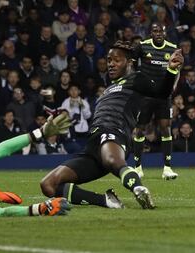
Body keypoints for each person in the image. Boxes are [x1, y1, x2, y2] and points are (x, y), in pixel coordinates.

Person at [39, 41, 184, 210]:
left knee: (112, 159)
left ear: (129, 63)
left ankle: (138, 188)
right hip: (93, 146)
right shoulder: (109, 88)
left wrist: (171, 69)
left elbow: (162, 92)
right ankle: (106, 200)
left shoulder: (136, 79)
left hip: (115, 132)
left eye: (116, 60)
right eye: (109, 60)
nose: (111, 64)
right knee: (48, 184)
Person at [132, 23, 179, 180]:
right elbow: (131, 66)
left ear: (165, 33)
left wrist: (173, 84)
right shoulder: (142, 46)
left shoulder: (172, 48)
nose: (158, 33)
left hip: (163, 96)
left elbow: (177, 68)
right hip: (146, 96)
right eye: (155, 31)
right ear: (150, 33)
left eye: (161, 31)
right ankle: (137, 167)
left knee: (166, 128)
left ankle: (167, 168)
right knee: (140, 129)